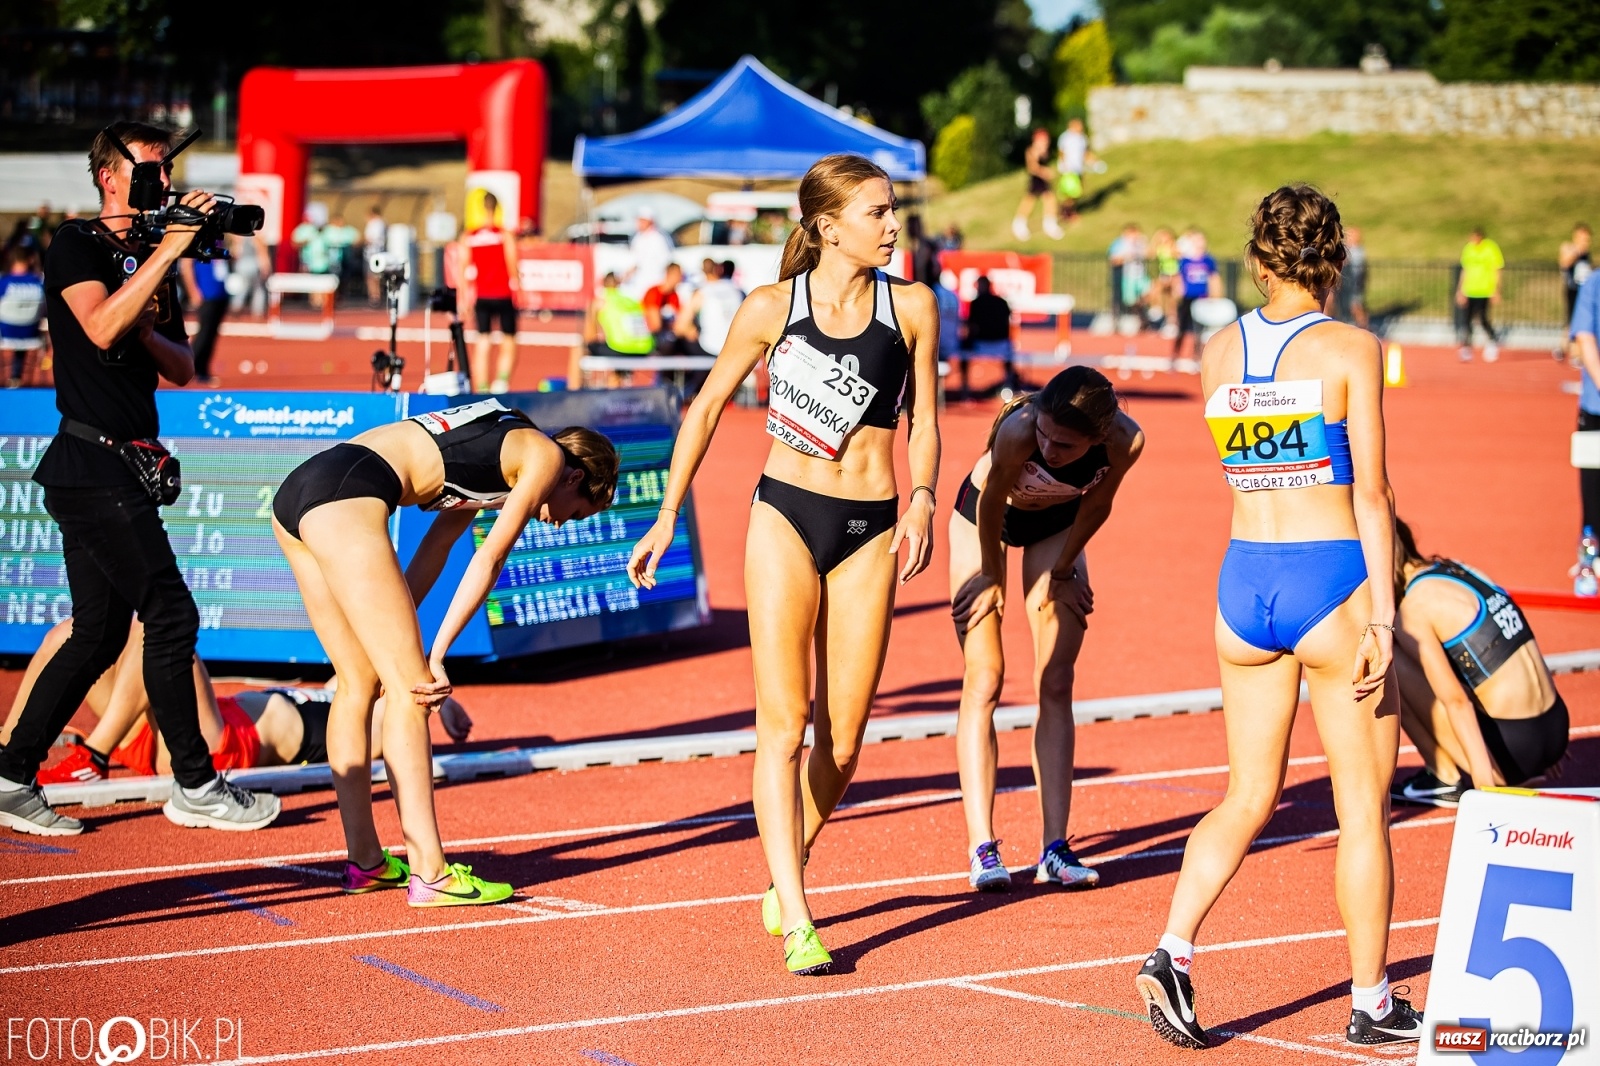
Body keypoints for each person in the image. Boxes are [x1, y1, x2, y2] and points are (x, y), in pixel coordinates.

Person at [628, 153, 941, 976]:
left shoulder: (913, 307)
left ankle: (786, 857)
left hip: (871, 526)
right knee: (783, 724)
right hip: (784, 516)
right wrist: (667, 515)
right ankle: (799, 915)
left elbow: (925, 420)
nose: (893, 225)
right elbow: (704, 408)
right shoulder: (772, 308)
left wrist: (923, 498)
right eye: (877, 213)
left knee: (846, 742)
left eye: (893, 210)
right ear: (829, 227)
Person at [1136, 184, 1418, 1049]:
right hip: (1329, 580)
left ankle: (1172, 950)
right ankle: (1372, 1002)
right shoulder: (1353, 348)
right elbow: (1372, 492)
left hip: (1244, 584)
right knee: (1362, 809)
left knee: (1247, 794)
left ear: (1259, 261)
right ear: (1333, 260)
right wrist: (1385, 618)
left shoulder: (1217, 349)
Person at [0, 121, 280, 837]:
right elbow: (97, 327)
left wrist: (154, 310)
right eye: (151, 170)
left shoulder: (155, 253)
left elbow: (182, 366)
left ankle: (10, 775)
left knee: (99, 633)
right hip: (90, 462)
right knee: (172, 615)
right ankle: (196, 784)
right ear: (109, 176)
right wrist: (167, 254)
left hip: (122, 461)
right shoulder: (77, 243)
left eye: (167, 171)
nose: (163, 182)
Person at [272, 398, 618, 906]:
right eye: (578, 512)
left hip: (301, 490)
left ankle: (366, 862)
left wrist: (395, 634)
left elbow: (437, 547)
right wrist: (433, 656)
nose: (562, 523)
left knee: (359, 682)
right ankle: (431, 874)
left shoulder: (504, 448)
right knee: (413, 692)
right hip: (347, 495)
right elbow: (490, 557)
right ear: (575, 478)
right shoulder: (545, 457)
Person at [949, 366, 1143, 892]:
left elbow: (1098, 504)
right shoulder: (1019, 429)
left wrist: (1063, 571)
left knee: (1056, 678)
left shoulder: (1126, 441)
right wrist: (991, 577)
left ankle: (1054, 849)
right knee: (985, 677)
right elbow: (991, 502)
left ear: (1097, 438)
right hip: (984, 519)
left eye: (1065, 445)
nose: (1050, 450)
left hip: (1057, 523)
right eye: (1045, 436)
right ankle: (982, 847)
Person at [8, 619, 471, 786]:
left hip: (214, 745)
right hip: (155, 727)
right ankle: (8, 747)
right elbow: (379, 667)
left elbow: (409, 704)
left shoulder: (364, 721)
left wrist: (440, 703)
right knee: (71, 632)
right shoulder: (345, 686)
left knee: (159, 628)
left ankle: (95, 754)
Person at [1388, 520, 1568, 806]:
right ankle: (1527, 756)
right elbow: (1519, 639)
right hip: (1555, 726)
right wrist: (1548, 741)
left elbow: (1456, 700)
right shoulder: (1459, 569)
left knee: (1389, 659)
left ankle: (1444, 777)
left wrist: (1485, 787)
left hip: (1516, 750)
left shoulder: (1413, 609)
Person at [460, 191, 522, 393]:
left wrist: (463, 298)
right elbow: (512, 263)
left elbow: (462, 268)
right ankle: (501, 382)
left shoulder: (470, 237)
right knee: (509, 339)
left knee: (483, 340)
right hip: (503, 294)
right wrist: (519, 288)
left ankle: (483, 386)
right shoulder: (504, 234)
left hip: (483, 295)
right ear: (497, 208)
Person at [1568, 265, 1600, 578]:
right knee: (1592, 486)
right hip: (1595, 406)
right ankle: (1589, 556)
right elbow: (1584, 337)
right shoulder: (1595, 283)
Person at [569, 272, 655, 389]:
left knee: (579, 348)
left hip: (621, 350)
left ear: (603, 285)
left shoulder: (600, 301)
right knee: (617, 348)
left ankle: (573, 392)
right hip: (644, 351)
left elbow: (590, 337)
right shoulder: (631, 300)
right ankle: (615, 384)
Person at [959, 275, 1015, 398]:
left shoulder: (976, 303)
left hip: (980, 345)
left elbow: (971, 327)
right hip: (1002, 345)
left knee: (963, 347)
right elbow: (1008, 324)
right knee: (1009, 348)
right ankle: (1009, 384)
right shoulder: (1002, 302)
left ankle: (964, 388)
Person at [0, 245, 47, 388]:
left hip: (5, 333)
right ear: (30, 260)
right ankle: (17, 377)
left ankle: (14, 377)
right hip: (31, 333)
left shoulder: (4, 282)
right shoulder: (39, 283)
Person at [179, 254, 229, 387]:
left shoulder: (218, 242)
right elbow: (186, 266)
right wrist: (193, 291)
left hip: (220, 292)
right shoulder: (197, 243)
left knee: (211, 334)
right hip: (206, 293)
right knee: (204, 333)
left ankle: (203, 369)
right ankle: (190, 368)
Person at [1456, 227, 1503, 363]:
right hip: (1470, 290)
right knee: (1466, 320)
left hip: (1484, 290)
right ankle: (1466, 347)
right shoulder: (1468, 249)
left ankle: (1493, 341)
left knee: (1482, 319)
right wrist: (1460, 290)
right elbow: (1465, 270)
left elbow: (1497, 270)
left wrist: (1496, 289)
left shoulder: (1490, 248)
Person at [1172, 229, 1219, 359]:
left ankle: (1197, 353)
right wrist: (1178, 290)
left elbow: (1213, 277)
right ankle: (1176, 352)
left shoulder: (1208, 260)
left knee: (1199, 327)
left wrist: (1214, 294)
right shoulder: (1185, 260)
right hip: (1188, 297)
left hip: (1202, 297)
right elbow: (1179, 277)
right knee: (1182, 325)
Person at [1012, 129, 1063, 242]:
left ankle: (1049, 223)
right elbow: (1032, 167)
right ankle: (1020, 223)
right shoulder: (1032, 150)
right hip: (1036, 179)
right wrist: (1044, 172)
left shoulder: (1044, 151)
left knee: (1049, 198)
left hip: (1042, 179)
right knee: (1030, 200)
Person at [1561, 223, 1592, 363]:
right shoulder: (1569, 248)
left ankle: (1566, 349)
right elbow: (1564, 263)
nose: (1586, 242)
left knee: (1579, 322)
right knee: (1573, 322)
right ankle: (1574, 354)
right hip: (1572, 290)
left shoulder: (1587, 254)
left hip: (1584, 291)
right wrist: (1577, 251)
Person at [1055, 118, 1096, 224]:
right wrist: (1064, 165)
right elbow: (1061, 152)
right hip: (1068, 169)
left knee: (1077, 192)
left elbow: (1085, 152)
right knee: (1071, 192)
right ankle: (1068, 212)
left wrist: (1092, 161)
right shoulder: (1065, 137)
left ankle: (1065, 210)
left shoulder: (1082, 138)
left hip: (1078, 168)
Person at [1108, 223, 1149, 324]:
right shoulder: (1120, 244)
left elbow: (1149, 254)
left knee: (1148, 294)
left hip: (1140, 275)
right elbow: (1113, 259)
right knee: (1130, 300)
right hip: (1128, 275)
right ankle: (1140, 317)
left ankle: (1145, 315)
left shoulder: (1140, 243)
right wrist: (1126, 257)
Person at [629, 208, 674, 297]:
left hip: (655, 282)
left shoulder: (658, 238)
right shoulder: (637, 238)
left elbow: (666, 261)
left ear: (650, 221)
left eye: (642, 220)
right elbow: (634, 261)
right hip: (639, 283)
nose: (639, 223)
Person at [642, 262, 684, 352]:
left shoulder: (674, 295)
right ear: (669, 274)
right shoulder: (654, 293)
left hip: (669, 339)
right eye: (678, 274)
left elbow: (681, 318)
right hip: (653, 342)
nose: (680, 278)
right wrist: (676, 327)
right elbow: (655, 325)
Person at [1149, 227, 1181, 334]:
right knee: (1157, 291)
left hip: (1173, 274)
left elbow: (1179, 255)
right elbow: (1150, 254)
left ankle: (1171, 321)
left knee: (1171, 300)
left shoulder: (1174, 247)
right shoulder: (1160, 248)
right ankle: (1156, 310)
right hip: (1164, 274)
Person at [1337, 225, 1369, 329]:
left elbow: (1349, 263)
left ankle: (1364, 326)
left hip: (1354, 284)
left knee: (1356, 305)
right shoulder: (1352, 250)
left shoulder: (1357, 251)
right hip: (1349, 283)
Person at [364, 206, 388, 308]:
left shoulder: (376, 224)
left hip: (373, 253)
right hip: (374, 253)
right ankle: (375, 296)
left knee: (373, 276)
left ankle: (375, 297)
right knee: (373, 276)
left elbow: (371, 238)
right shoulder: (382, 223)